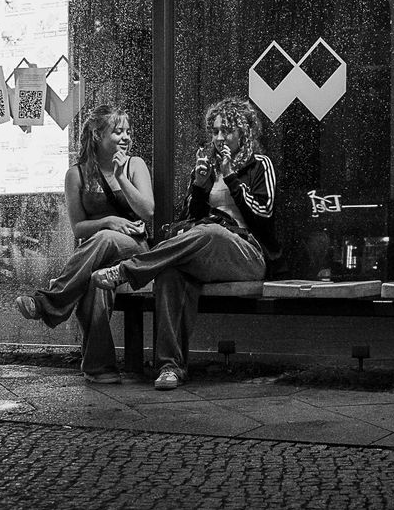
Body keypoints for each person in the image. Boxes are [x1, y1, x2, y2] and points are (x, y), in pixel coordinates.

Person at [93, 95, 280, 390]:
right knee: (170, 272)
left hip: (246, 253)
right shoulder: (207, 166)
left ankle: (129, 270)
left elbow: (263, 214)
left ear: (243, 132)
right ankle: (170, 367)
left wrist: (231, 178)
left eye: (227, 131)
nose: (220, 138)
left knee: (212, 233)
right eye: (215, 131)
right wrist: (199, 184)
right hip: (205, 252)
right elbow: (190, 217)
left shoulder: (260, 164)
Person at [15, 104, 154, 383]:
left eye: (128, 131)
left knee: (104, 239)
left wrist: (122, 178)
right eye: (117, 132)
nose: (125, 137)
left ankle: (48, 302)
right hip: (95, 255)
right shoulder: (76, 174)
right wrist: (107, 222)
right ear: (96, 135)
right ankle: (99, 367)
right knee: (94, 281)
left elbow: (148, 211)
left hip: (135, 251)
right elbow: (78, 227)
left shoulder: (135, 165)